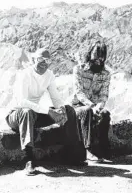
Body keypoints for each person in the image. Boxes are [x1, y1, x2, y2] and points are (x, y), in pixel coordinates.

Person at [5, 48, 87, 176]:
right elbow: (22, 102)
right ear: (33, 60)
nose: (44, 62)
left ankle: (72, 154)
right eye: (40, 59)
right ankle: (29, 160)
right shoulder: (24, 75)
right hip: (16, 116)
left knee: (69, 110)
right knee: (27, 112)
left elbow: (55, 98)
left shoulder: (49, 75)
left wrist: (61, 110)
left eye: (47, 60)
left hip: (33, 115)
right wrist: (48, 111)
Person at [71, 38, 112, 163]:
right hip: (79, 106)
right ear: (90, 53)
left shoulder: (106, 74)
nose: (98, 58)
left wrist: (99, 107)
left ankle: (103, 149)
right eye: (96, 54)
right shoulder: (79, 69)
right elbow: (79, 92)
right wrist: (91, 106)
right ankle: (88, 150)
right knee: (87, 111)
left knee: (105, 114)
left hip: (95, 106)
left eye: (101, 55)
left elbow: (104, 94)